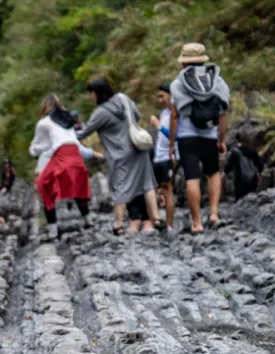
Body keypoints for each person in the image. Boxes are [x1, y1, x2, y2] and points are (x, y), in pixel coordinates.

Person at [77, 77, 158, 235]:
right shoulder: (123, 98)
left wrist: (66, 135)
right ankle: (156, 219)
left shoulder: (100, 112)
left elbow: (84, 132)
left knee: (120, 187)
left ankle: (118, 224)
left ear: (98, 93)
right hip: (138, 147)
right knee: (147, 184)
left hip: (120, 154)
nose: (90, 97)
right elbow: (135, 115)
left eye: (91, 93)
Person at [169, 43, 231, 234]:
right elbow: (223, 113)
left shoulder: (178, 83)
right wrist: (221, 139)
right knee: (212, 173)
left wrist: (172, 143)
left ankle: (197, 222)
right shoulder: (217, 81)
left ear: (184, 62)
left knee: (192, 177)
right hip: (209, 134)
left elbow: (174, 115)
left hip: (187, 137)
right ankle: (213, 214)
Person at [29, 94, 93, 240]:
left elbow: (39, 147)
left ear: (45, 107)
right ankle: (88, 219)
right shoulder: (68, 120)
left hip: (62, 156)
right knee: (77, 186)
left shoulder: (44, 123)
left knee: (43, 186)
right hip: (76, 156)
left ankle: (53, 229)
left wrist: (32, 148)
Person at [149, 84, 178, 230]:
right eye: (158, 97)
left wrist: (158, 126)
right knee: (153, 189)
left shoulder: (175, 113)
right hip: (158, 157)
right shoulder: (163, 113)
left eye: (162, 96)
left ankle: (169, 225)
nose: (160, 100)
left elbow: (176, 136)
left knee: (167, 190)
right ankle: (155, 222)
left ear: (171, 96)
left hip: (169, 156)